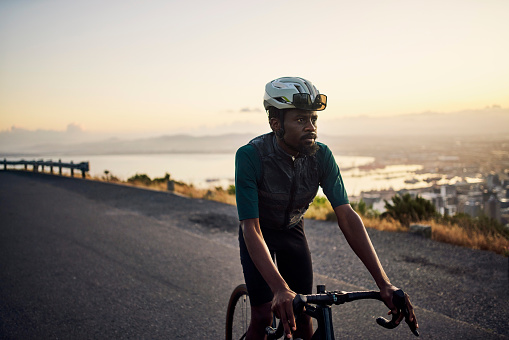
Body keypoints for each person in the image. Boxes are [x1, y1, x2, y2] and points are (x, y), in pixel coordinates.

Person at [235, 76, 418, 339]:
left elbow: (347, 216)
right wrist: (279, 288)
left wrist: (384, 283)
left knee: (303, 319)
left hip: (292, 233)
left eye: (313, 119)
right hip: (259, 234)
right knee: (264, 315)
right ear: (276, 123)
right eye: (300, 120)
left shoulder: (322, 156)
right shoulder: (250, 156)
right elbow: (250, 228)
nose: (311, 127)